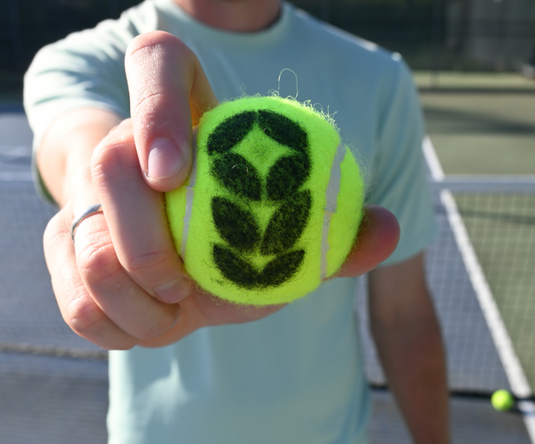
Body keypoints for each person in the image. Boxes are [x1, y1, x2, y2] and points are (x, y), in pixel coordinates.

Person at [23, 0, 449, 443]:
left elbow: (404, 314)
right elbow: (79, 143)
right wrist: (96, 197)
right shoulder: (84, 60)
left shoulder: (379, 76)